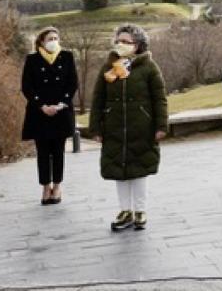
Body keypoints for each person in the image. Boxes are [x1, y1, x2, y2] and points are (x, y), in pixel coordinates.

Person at [88, 24, 168, 231]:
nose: (121, 44)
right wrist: (95, 128)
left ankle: (140, 210)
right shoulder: (109, 67)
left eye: (126, 41)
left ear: (138, 45)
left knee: (139, 170)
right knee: (119, 170)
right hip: (114, 128)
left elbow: (160, 99)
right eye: (119, 41)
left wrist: (161, 125)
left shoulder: (150, 67)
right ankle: (125, 210)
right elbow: (98, 99)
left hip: (141, 127)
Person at [21, 27, 77, 205]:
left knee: (59, 151)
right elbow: (27, 87)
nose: (53, 41)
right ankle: (46, 186)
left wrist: (61, 104)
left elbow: (72, 83)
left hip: (61, 111)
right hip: (40, 113)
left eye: (56, 37)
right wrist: (42, 106)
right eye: (49, 38)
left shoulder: (67, 56)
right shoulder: (32, 59)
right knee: (43, 152)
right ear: (41, 42)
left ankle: (57, 186)